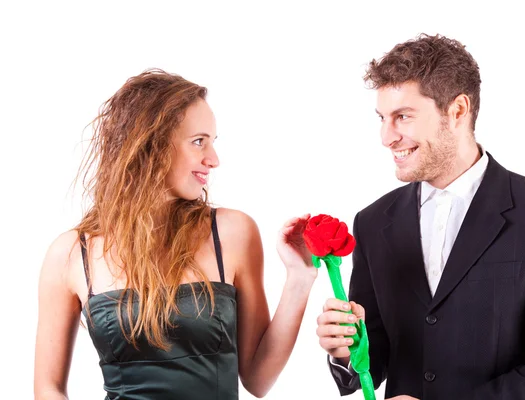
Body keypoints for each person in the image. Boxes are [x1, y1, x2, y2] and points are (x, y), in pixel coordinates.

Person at [316, 34, 525, 399]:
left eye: (403, 116)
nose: (387, 137)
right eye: (383, 118)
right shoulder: (373, 222)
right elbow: (377, 356)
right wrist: (345, 352)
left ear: (458, 111)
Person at [34, 69, 316, 400]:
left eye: (212, 142)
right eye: (199, 141)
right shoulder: (70, 254)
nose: (214, 159)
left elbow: (257, 379)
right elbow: (48, 388)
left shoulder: (232, 232)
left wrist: (300, 277)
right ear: (150, 144)